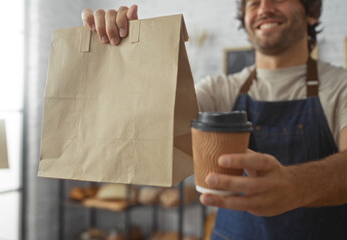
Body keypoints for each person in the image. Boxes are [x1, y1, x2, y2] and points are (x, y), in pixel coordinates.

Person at [81, 1, 347, 239]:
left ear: (311, 12)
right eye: (253, 3)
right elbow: (147, 125)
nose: (264, 8)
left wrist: (296, 185)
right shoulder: (218, 90)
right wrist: (127, 54)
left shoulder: (341, 87)